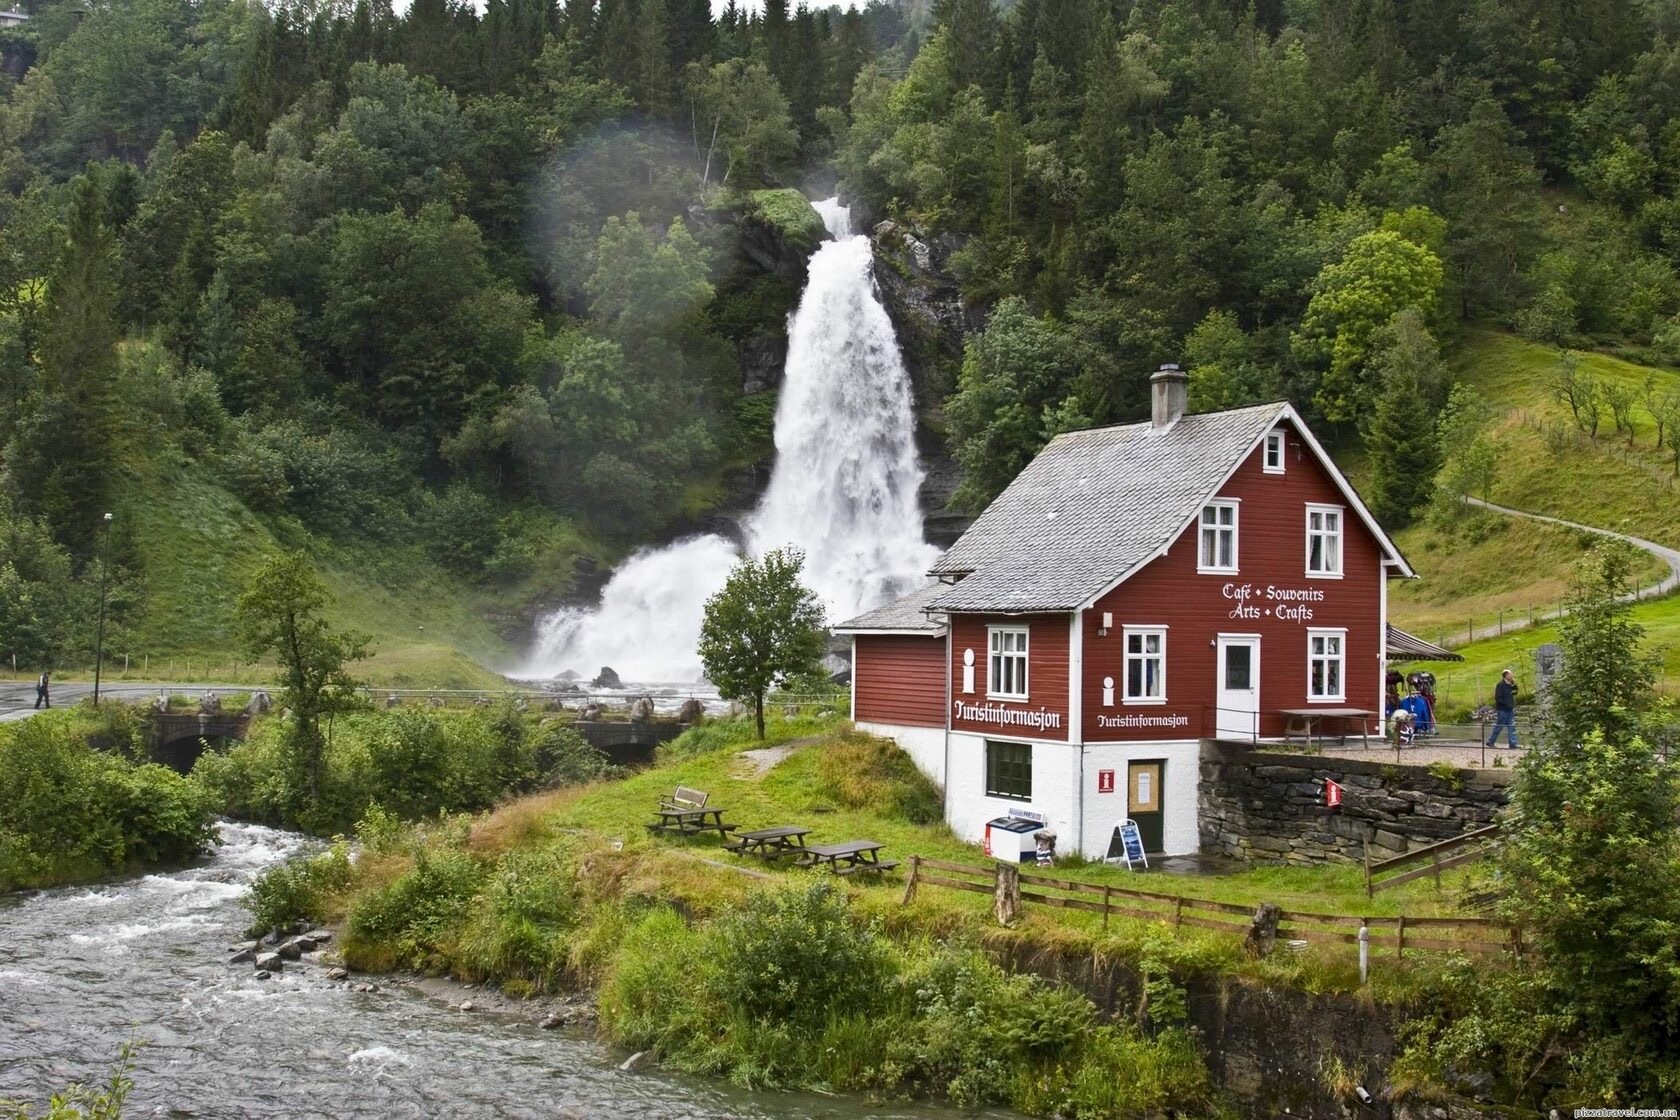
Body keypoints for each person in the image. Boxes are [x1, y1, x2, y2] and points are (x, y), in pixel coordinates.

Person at [1486, 668, 1519, 748]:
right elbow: (1498, 697)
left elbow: (1515, 693)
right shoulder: (1500, 685)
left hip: (1510, 709)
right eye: (1511, 674)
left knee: (1512, 727)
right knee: (1499, 726)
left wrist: (1514, 686)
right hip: (1503, 710)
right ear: (1506, 675)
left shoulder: (1510, 684)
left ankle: (1513, 744)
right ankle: (1490, 741)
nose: (1512, 676)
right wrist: (1505, 704)